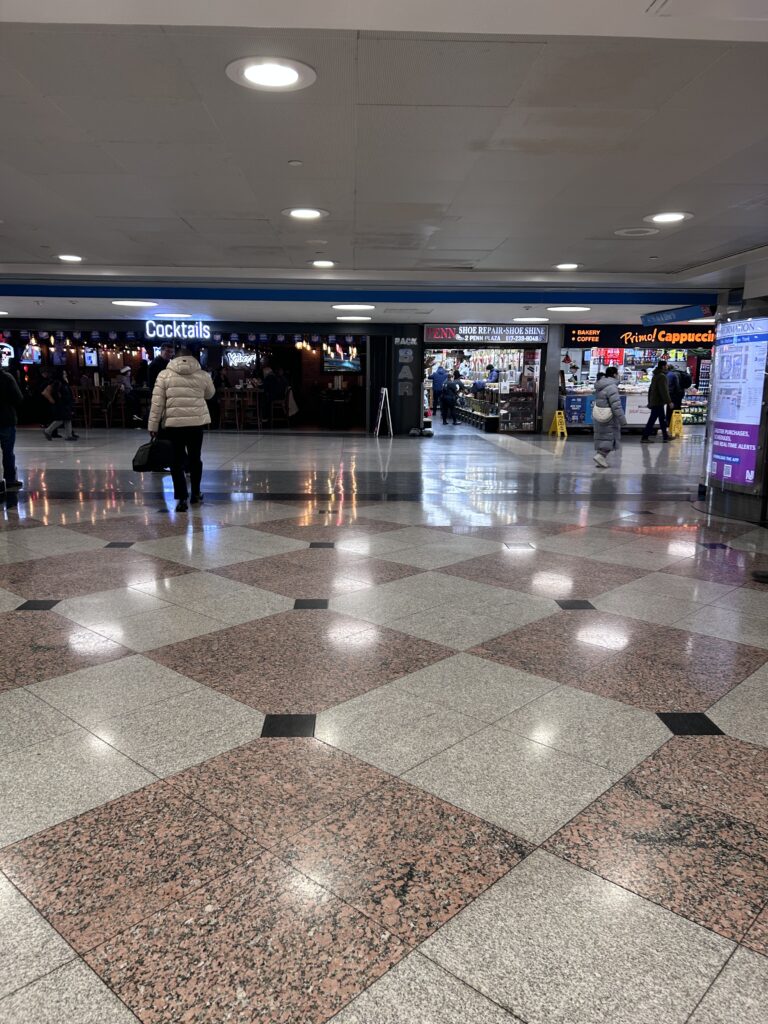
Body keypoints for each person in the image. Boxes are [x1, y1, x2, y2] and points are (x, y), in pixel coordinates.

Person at [148, 348, 215, 512]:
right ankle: (196, 493)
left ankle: (182, 499)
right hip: (196, 424)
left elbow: (157, 403)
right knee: (195, 459)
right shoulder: (203, 375)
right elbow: (210, 394)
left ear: (174, 359)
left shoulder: (164, 375)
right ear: (192, 358)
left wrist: (153, 426)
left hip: (173, 426)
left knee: (176, 462)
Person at [592, 365, 626, 468]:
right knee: (609, 436)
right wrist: (622, 420)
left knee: (602, 436)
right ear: (615, 374)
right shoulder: (612, 387)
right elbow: (616, 405)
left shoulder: (601, 385)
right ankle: (601, 456)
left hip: (600, 414)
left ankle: (600, 456)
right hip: (609, 416)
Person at [0, 366, 23, 489]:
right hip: (5, 418)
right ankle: (9, 479)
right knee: (8, 451)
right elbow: (18, 398)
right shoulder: (7, 377)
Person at [42, 369, 78, 441]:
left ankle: (68, 435)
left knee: (67, 419)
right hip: (61, 404)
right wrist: (53, 401)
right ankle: (48, 430)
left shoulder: (63, 382)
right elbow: (45, 392)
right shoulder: (57, 382)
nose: (66, 375)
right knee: (61, 419)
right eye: (64, 374)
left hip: (65, 403)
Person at [641, 360, 671, 443]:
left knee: (662, 419)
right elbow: (664, 391)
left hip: (655, 401)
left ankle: (665, 436)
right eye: (666, 365)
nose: (667, 367)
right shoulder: (662, 376)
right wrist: (669, 401)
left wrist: (650, 400)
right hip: (658, 402)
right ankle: (645, 437)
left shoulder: (656, 375)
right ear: (663, 366)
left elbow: (651, 390)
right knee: (653, 420)